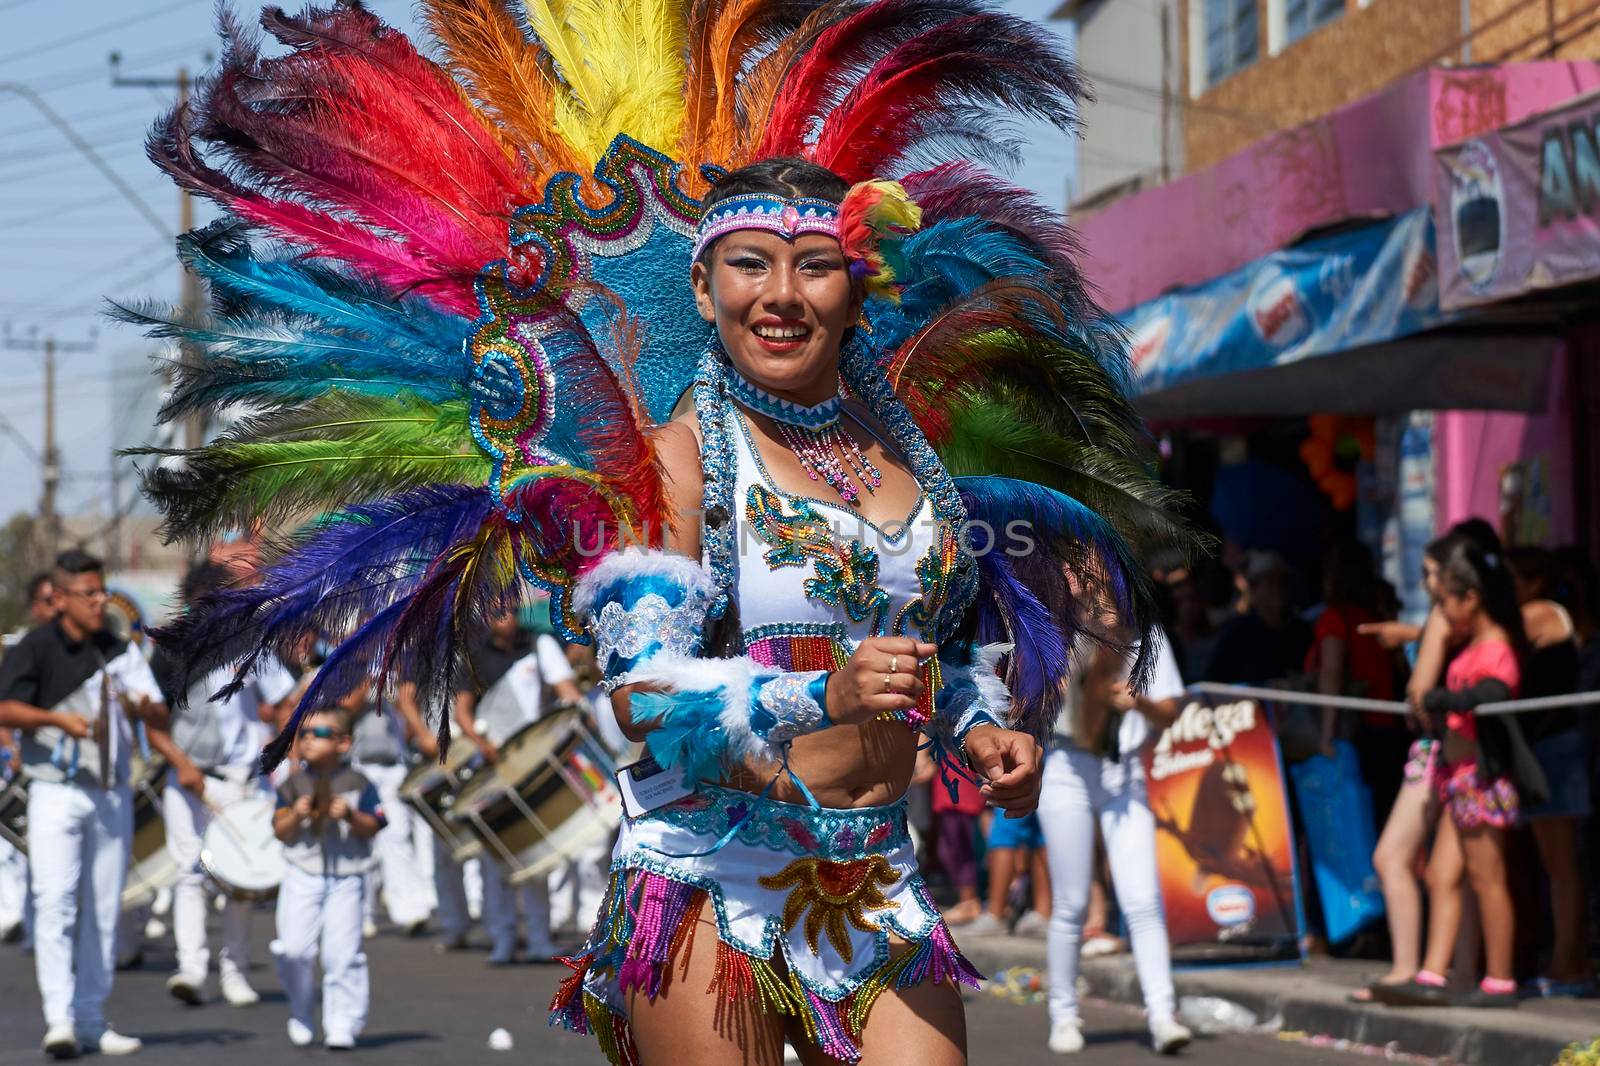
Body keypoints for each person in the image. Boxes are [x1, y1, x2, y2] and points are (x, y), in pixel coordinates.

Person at [133, 4, 1182, 1061]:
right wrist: (824, 693)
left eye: (812, 266)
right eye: (749, 264)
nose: (780, 296)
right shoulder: (676, 460)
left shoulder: (905, 454)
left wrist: (975, 726)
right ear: (702, 282)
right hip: (712, 871)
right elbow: (644, 691)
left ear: (857, 287)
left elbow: (934, 648)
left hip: (875, 873)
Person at [0, 550, 167, 1058]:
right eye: (89, 594)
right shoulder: (34, 647)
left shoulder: (117, 648)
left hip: (110, 791)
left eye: (102, 591)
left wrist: (139, 705)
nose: (100, 602)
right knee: (54, 904)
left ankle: (92, 1018)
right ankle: (60, 1021)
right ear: (62, 598)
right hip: (54, 790)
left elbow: (157, 708)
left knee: (102, 910)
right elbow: (5, 705)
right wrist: (58, 722)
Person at [1373, 536, 1545, 1008]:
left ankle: (1500, 979)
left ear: (1471, 598)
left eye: (1445, 601)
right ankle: (1432, 974)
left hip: (1481, 778)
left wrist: (1444, 700)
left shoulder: (1497, 648)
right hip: (1457, 779)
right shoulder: (1469, 645)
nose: (1441, 612)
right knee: (1442, 874)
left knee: (1488, 878)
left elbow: (1495, 693)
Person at [145, 561, 298, 1008]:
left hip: (243, 781)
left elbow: (286, 702)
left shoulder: (253, 643)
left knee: (240, 881)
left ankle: (235, 971)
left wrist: (280, 754)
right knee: (190, 872)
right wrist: (181, 764)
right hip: (188, 779)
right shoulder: (171, 650)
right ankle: (191, 970)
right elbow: (153, 723)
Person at [1039, 631, 1191, 1055]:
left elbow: (1171, 713)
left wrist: (1136, 701)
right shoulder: (1056, 622)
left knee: (1143, 900)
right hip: (1065, 764)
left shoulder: (1147, 634)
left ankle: (1163, 1015)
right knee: (1070, 903)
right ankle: (1063, 1015)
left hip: (1125, 770)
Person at [450, 605, 584, 962]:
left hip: (531, 758)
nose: (503, 617)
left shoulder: (539, 645)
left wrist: (571, 714)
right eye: (495, 611)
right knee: (494, 857)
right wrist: (482, 745)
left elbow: (565, 689)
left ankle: (540, 937)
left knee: (534, 849)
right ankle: (503, 937)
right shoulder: (475, 655)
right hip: (491, 764)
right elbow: (463, 709)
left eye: (509, 609)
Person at [271, 706, 386, 1049]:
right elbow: (279, 830)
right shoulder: (292, 785)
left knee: (342, 954)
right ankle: (301, 1008)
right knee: (293, 949)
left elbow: (374, 827)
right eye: (303, 733)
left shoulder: (360, 784)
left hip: (347, 878)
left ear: (343, 742)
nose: (308, 740)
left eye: (318, 734)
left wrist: (350, 815)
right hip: (302, 875)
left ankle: (342, 1022)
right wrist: (296, 814)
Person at [1505, 547, 1592, 996]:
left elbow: (1499, 638)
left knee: (1561, 865)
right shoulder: (1544, 613)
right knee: (1556, 864)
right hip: (1550, 748)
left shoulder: (1538, 613)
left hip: (1555, 750)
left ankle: (1568, 966)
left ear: (1534, 582)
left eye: (1510, 578)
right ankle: (1566, 961)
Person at [346, 682, 436, 938]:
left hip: (394, 766)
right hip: (360, 766)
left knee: (397, 836)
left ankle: (409, 911)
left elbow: (409, 711)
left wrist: (397, 694)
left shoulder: (396, 673)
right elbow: (343, 710)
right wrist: (365, 686)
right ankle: (363, 914)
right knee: (363, 843)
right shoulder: (347, 671)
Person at [0, 571, 60, 946]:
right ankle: (14, 914)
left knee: (39, 854)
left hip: (63, 769)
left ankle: (35, 922)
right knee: (10, 845)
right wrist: (11, 747)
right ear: (36, 608)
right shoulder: (23, 650)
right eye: (48, 601)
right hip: (20, 763)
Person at [1202, 552, 1312, 686]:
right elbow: (1215, 685)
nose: (1278, 590)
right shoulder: (1235, 635)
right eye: (1270, 583)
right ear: (1253, 590)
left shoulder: (1304, 632)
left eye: (1282, 582)